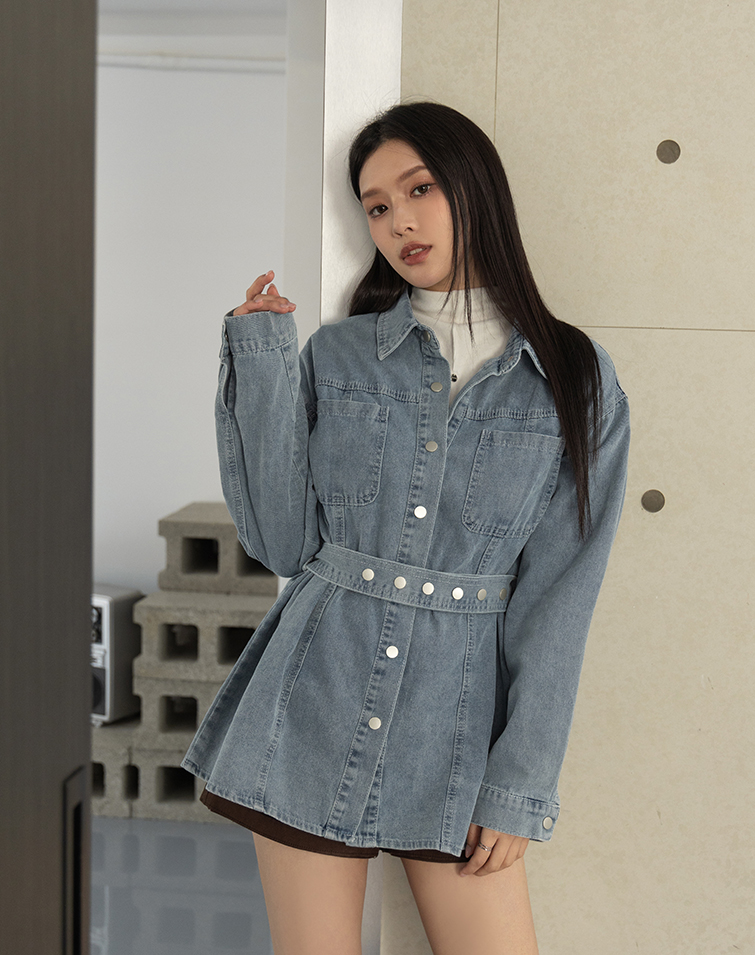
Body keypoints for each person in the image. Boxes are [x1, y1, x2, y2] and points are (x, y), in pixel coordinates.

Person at [182, 102, 630, 954]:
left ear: (474, 187)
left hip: (457, 733)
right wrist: (262, 356)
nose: (399, 222)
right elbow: (282, 543)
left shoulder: (575, 378)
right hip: (309, 703)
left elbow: (560, 600)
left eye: (418, 189)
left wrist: (519, 783)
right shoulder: (338, 355)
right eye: (377, 206)